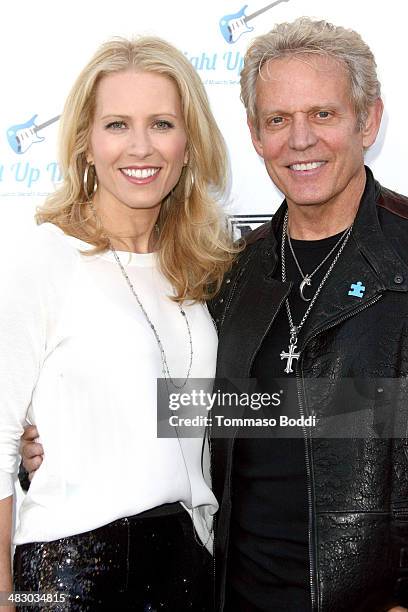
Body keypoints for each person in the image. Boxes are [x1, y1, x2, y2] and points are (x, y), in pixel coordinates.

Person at [0, 36, 236, 611]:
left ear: (188, 144)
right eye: (116, 125)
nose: (140, 146)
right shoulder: (42, 259)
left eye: (161, 123)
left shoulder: (201, 270)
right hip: (72, 569)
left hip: (187, 563)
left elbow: (189, 417)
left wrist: (373, 407)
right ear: (84, 142)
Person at [208, 17, 408, 612]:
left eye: (322, 114)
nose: (300, 140)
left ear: (367, 120)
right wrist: (61, 439)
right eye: (278, 119)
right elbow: (197, 423)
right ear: (255, 134)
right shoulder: (230, 276)